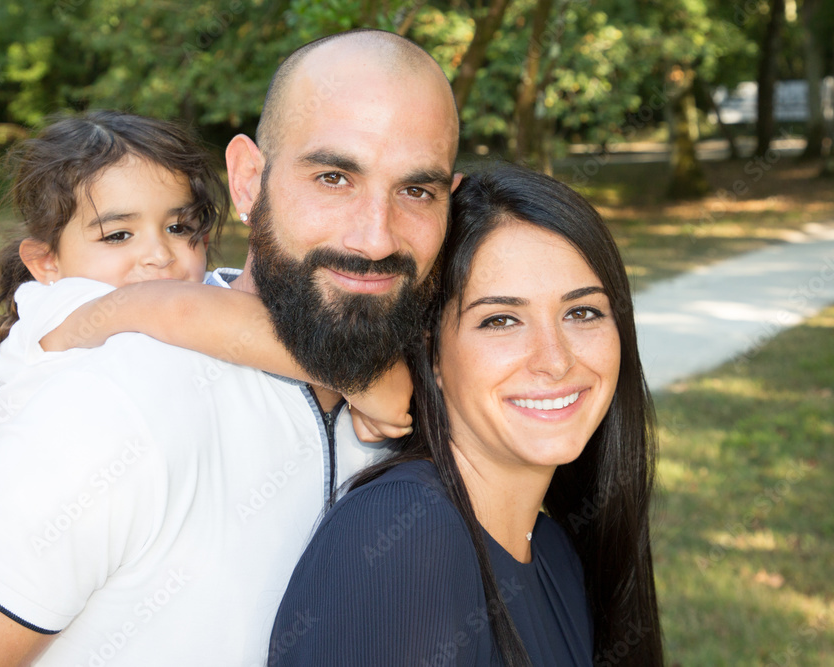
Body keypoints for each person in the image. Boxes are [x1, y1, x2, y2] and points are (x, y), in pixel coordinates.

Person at [0, 29, 461, 666]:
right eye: (333, 177)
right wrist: (362, 376)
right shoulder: (104, 403)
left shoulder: (444, 392)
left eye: (416, 191)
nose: (376, 238)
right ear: (248, 180)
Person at [269, 162, 665, 666]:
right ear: (431, 352)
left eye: (581, 312)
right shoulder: (405, 536)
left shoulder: (557, 554)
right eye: (501, 320)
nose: (556, 360)